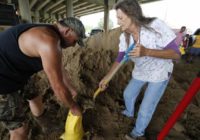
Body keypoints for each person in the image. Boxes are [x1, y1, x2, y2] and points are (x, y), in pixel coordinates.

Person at [99, 0, 180, 140]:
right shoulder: (124, 37)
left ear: (132, 15)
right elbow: (120, 59)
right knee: (128, 94)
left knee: (145, 108)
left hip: (159, 72)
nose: (118, 22)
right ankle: (129, 113)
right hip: (141, 71)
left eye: (121, 18)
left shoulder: (155, 26)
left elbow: (176, 54)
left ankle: (138, 132)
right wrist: (107, 77)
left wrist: (147, 51)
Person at [0, 17, 85, 140]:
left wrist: (71, 89)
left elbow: (59, 68)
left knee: (35, 95)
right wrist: (73, 107)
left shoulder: (48, 31)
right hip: (3, 80)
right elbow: (57, 86)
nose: (73, 45)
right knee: (19, 129)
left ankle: (43, 121)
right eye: (75, 41)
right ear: (67, 31)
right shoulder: (49, 41)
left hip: (18, 71)